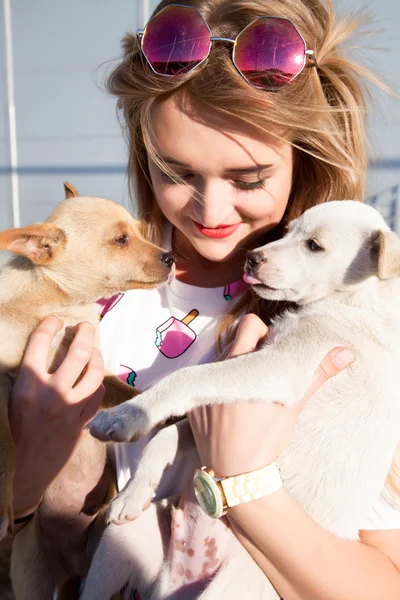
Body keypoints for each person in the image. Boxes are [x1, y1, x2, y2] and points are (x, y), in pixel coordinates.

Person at [7, 0, 400, 598]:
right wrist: (31, 473)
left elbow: (381, 582)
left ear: (306, 158)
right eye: (176, 172)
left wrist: (244, 484)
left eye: (248, 179)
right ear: (144, 153)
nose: (210, 211)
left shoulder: (357, 328)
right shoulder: (95, 289)